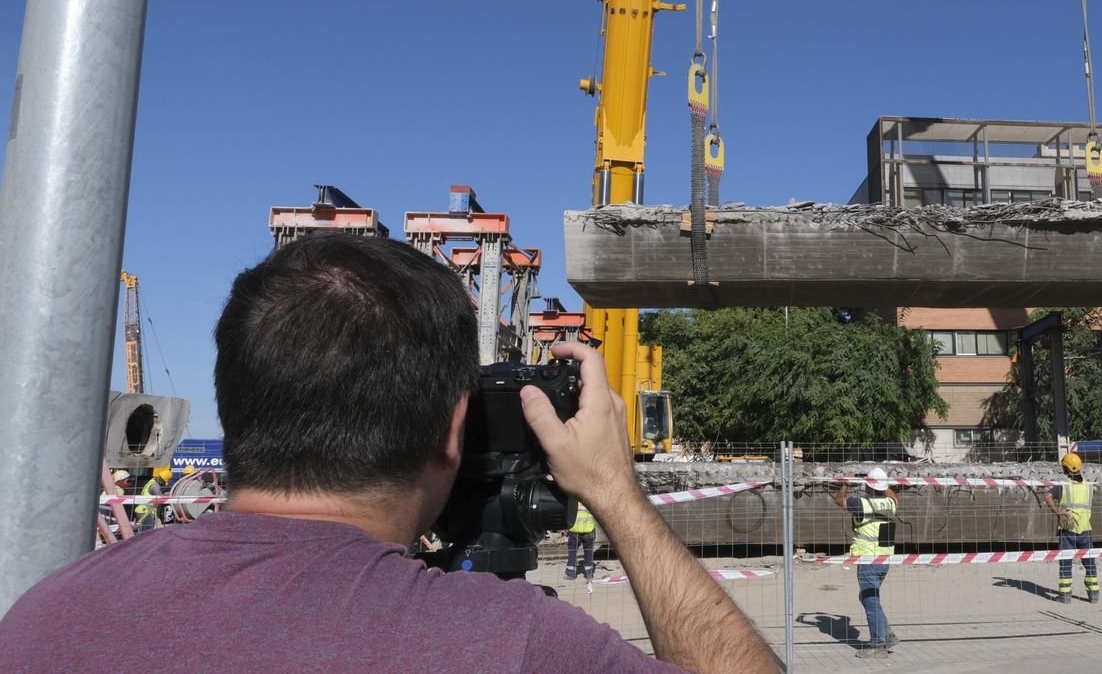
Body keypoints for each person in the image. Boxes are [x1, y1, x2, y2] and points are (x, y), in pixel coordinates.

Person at [0, 233, 780, 674]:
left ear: (236, 399)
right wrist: (617, 494)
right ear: (451, 428)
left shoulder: (44, 618)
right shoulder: (508, 645)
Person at [833, 466, 900, 658]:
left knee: (871, 602)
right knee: (868, 598)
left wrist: (846, 483)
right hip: (884, 560)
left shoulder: (862, 503)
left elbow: (839, 501)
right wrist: (880, 484)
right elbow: (896, 497)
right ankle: (886, 634)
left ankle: (878, 645)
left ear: (869, 486)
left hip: (869, 559)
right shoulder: (890, 503)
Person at [1049, 452, 1098, 603]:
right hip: (1085, 529)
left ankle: (1065, 595)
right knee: (1090, 563)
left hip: (1068, 530)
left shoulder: (1064, 486)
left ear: (1067, 470)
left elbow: (1047, 496)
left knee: (1066, 562)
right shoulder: (1088, 486)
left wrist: (1057, 511)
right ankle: (1094, 595)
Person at [133, 466, 172, 534]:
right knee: (146, 534)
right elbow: (161, 498)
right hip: (147, 512)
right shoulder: (155, 486)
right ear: (164, 480)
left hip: (142, 510)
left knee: (142, 533)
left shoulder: (150, 482)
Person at [566, 501, 597, 581]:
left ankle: (571, 574)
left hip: (575, 530)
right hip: (588, 530)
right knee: (589, 552)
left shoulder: (573, 502)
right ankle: (589, 574)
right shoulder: (591, 501)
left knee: (572, 551)